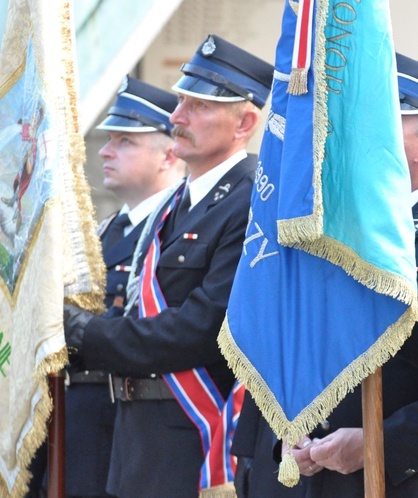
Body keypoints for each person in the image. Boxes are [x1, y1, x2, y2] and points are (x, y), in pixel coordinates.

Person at [231, 53, 418, 498]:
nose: (353, 132)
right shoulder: (327, 221)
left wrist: (378, 443)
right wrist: (275, 441)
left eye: (381, 122)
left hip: (389, 479)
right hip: (294, 469)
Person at [62, 34, 273, 498]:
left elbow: (205, 327)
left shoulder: (256, 203)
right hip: (136, 437)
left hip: (199, 436)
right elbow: (138, 312)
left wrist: (84, 333)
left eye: (198, 106)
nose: (178, 118)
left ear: (246, 122)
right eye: (180, 102)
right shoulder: (172, 206)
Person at [64, 76, 185, 498]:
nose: (104, 151)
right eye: (109, 138)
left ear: (170, 152)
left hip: (130, 421)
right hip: (79, 422)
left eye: (125, 141)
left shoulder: (175, 230)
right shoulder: (102, 233)